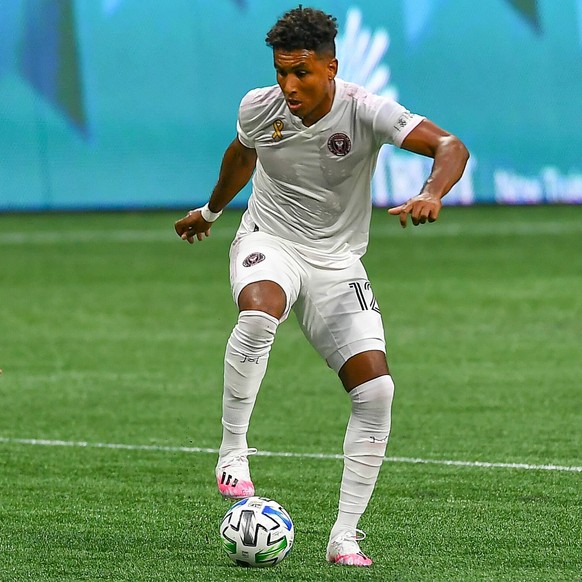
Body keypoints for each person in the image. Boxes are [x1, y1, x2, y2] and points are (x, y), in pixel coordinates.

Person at [175, 6, 469, 567]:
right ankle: (233, 450)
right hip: (270, 239)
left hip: (338, 262)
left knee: (376, 392)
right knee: (259, 312)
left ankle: (345, 538)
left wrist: (432, 192)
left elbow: (451, 146)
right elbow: (242, 157)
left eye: (301, 73)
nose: (288, 86)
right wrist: (211, 213)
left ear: (331, 67)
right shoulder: (260, 107)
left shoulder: (368, 111)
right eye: (281, 72)